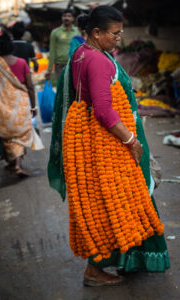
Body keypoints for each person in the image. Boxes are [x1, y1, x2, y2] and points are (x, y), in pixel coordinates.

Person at [48, 6, 170, 286]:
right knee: (117, 204)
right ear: (96, 32)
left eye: (120, 31)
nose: (119, 38)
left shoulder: (80, 53)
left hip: (90, 141)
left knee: (102, 205)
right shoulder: (99, 61)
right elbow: (103, 110)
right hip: (107, 144)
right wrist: (131, 139)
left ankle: (119, 260)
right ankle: (97, 269)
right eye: (114, 33)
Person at [0, 32, 43, 176]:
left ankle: (13, 162)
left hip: (1, 105)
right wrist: (33, 106)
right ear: (11, 47)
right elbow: (30, 86)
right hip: (20, 104)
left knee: (8, 136)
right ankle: (17, 164)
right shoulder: (22, 62)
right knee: (20, 134)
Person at [45, 8, 80, 81]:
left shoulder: (77, 32)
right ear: (62, 18)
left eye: (69, 16)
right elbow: (52, 50)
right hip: (60, 65)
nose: (66, 18)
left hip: (74, 65)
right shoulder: (55, 32)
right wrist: (49, 69)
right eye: (64, 16)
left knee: (72, 88)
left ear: (73, 18)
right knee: (61, 88)